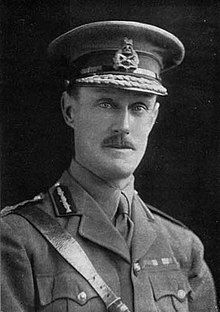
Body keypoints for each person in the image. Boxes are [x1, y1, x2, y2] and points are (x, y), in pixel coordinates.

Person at [1, 21, 217, 312]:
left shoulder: (182, 247)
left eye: (138, 108)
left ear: (153, 118)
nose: (124, 126)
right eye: (106, 104)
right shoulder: (18, 241)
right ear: (69, 110)